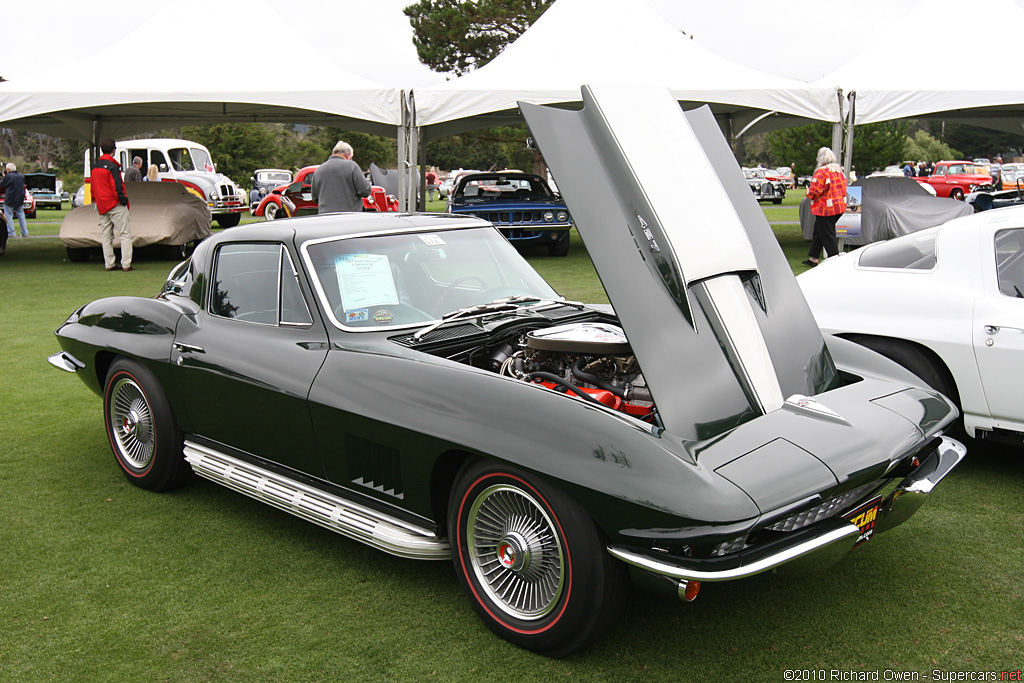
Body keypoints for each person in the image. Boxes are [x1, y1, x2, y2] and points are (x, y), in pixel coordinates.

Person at [92, 138, 133, 271]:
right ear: (114, 150)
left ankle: (109, 263)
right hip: (114, 203)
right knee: (125, 234)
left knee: (106, 235)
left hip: (102, 205)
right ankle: (126, 263)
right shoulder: (112, 166)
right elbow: (116, 186)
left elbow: (94, 187)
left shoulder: (95, 167)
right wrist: (123, 200)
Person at [803, 147, 847, 267]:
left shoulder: (821, 172)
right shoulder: (838, 170)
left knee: (827, 235)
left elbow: (814, 192)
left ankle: (835, 261)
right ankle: (813, 257)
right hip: (838, 206)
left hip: (825, 209)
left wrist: (807, 191)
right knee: (819, 231)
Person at [311, 140, 371, 214]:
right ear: (348, 155)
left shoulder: (318, 170)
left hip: (325, 216)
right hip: (349, 216)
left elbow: (315, 198)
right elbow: (365, 190)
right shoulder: (351, 166)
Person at [1, 163, 28, 238]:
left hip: (10, 198)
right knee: (21, 215)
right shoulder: (20, 176)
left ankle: (11, 232)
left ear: (8, 170)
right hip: (19, 198)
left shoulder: (8, 176)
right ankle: (24, 232)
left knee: (9, 215)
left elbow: (3, 184)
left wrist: (4, 177)